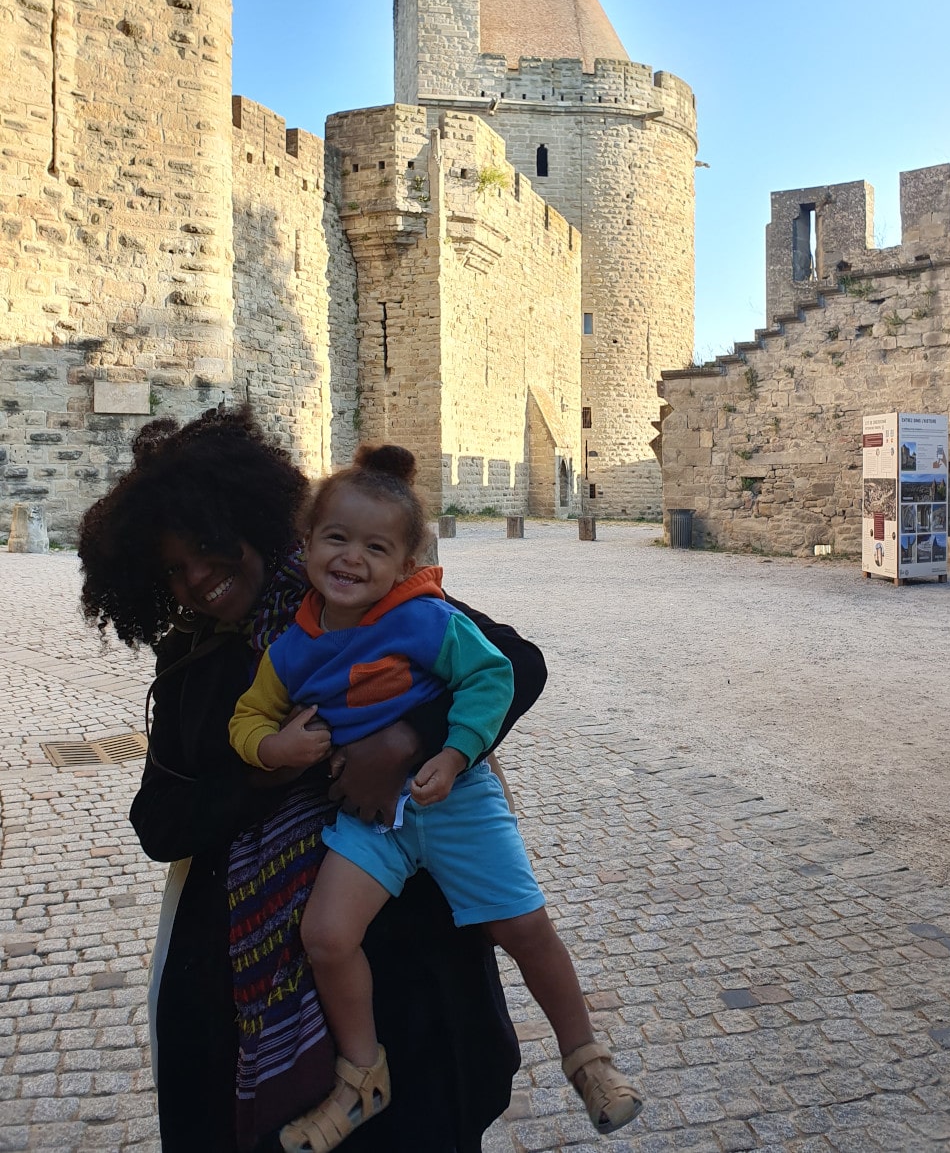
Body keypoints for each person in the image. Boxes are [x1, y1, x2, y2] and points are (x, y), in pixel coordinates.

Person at [78, 406, 547, 1153]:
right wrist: (266, 769)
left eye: (206, 547)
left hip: (404, 969)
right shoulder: (189, 666)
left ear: (251, 520)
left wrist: (404, 741)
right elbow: (159, 822)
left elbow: (517, 663)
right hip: (244, 992)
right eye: (173, 567)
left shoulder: (356, 598)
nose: (197, 578)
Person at [230, 445, 643, 1153]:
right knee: (327, 936)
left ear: (405, 563)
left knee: (522, 927)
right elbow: (249, 717)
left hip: (455, 799)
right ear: (304, 547)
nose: (352, 558)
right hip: (373, 821)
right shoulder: (290, 650)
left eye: (375, 547)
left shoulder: (423, 618)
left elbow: (494, 675)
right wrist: (274, 748)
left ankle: (586, 1057)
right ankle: (362, 1078)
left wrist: (449, 753)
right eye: (336, 538)